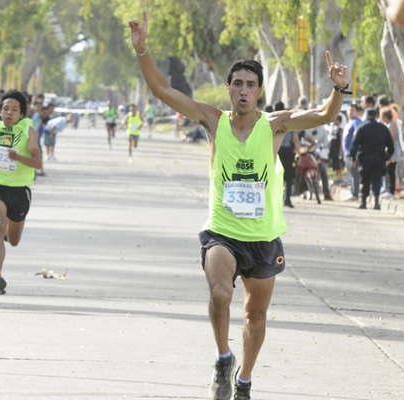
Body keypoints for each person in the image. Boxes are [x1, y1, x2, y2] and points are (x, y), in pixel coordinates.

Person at [128, 12, 350, 400]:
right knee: (219, 294)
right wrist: (143, 49)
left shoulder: (275, 124)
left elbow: (324, 115)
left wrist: (339, 89)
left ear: (259, 92)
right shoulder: (213, 120)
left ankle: (244, 378)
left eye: (251, 85)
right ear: (228, 89)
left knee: (255, 316)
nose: (244, 90)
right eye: (238, 84)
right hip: (222, 231)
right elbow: (164, 91)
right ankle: (223, 358)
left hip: (263, 237)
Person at [0, 90, 42, 295]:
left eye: (14, 110)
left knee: (13, 240)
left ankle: (7, 227)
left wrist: (18, 157)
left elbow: (37, 163)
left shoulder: (28, 129)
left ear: (21, 114)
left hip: (19, 189)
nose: (9, 113)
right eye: (5, 108)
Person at [350, 108, 394, 210]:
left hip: (365, 160)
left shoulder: (361, 128)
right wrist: (386, 157)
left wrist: (353, 158)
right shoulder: (383, 128)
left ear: (367, 116)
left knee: (365, 181)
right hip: (379, 159)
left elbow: (354, 145)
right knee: (377, 181)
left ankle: (363, 203)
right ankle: (376, 202)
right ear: (376, 116)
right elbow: (391, 147)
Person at [275, 101, 299, 208]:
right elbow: (295, 139)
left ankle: (276, 200)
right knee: (288, 178)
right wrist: (298, 152)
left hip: (276, 152)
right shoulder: (289, 122)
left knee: (276, 177)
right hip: (288, 153)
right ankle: (287, 199)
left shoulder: (270, 121)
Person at [343, 104, 364, 199]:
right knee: (352, 173)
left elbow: (358, 134)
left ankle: (355, 194)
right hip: (346, 152)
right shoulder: (349, 122)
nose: (350, 112)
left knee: (354, 173)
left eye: (352, 110)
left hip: (353, 153)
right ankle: (353, 192)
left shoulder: (356, 122)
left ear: (357, 112)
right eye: (349, 110)